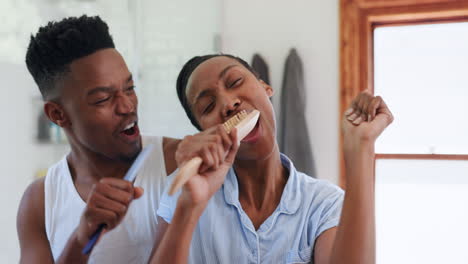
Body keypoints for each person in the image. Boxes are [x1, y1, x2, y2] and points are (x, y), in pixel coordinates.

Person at [150, 54, 393, 263]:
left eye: (235, 81)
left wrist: (360, 148)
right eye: (208, 106)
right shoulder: (182, 193)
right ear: (204, 131)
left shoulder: (323, 204)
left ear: (266, 88)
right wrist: (188, 207)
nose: (228, 103)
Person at [17, 15, 180, 263]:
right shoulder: (39, 201)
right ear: (58, 114)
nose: (127, 106)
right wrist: (81, 240)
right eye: (103, 99)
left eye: (130, 88)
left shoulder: (177, 161)